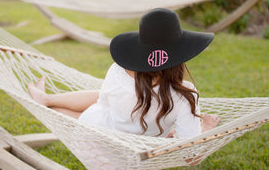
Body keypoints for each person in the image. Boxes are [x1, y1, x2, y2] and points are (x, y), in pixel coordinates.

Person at [28, 8, 220, 138]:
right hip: (135, 142)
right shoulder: (185, 95)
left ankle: (45, 101)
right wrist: (206, 127)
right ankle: (45, 101)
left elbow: (102, 103)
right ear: (181, 53)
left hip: (105, 131)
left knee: (98, 103)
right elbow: (191, 155)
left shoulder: (119, 71)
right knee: (102, 105)